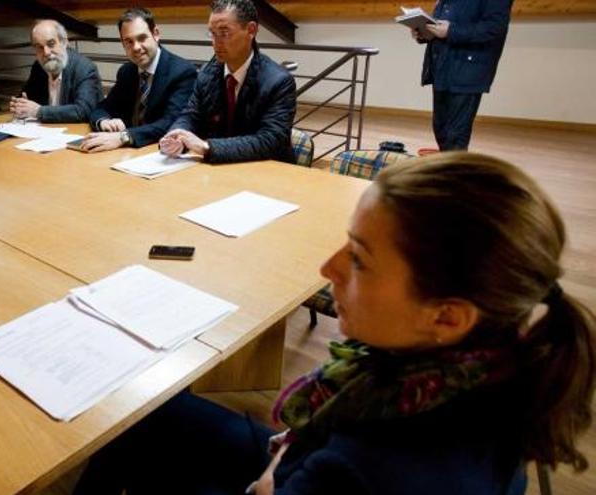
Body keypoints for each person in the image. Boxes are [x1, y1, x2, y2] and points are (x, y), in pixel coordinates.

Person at [73, 152, 596, 495]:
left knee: (132, 434)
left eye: (361, 259)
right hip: (304, 453)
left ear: (447, 315)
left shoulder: (366, 470)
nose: (328, 269)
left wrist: (274, 480)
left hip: (303, 469)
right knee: (146, 414)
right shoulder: (502, 365)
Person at [160, 0, 296, 164]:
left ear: (251, 30)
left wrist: (207, 147)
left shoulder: (279, 81)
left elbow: (270, 140)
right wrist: (177, 135)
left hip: (268, 172)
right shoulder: (206, 74)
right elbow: (191, 115)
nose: (216, 42)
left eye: (224, 33)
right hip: (221, 171)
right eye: (212, 33)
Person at [80, 8, 196, 152]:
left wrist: (124, 137)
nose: (136, 47)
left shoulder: (182, 72)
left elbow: (171, 122)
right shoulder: (126, 71)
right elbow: (103, 107)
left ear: (156, 34)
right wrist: (104, 122)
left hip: (158, 152)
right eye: (128, 41)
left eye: (142, 38)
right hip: (125, 153)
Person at [412, 0, 513, 151]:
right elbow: (442, 23)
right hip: (441, 68)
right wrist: (424, 32)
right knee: (441, 130)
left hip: (468, 71)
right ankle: (448, 171)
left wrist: (451, 31)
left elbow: (494, 28)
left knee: (455, 135)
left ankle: (455, 173)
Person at [10, 20, 102, 124]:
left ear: (64, 42)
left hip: (76, 132)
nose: (46, 52)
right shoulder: (38, 67)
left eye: (51, 44)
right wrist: (19, 104)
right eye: (39, 47)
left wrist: (38, 111)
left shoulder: (84, 68)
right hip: (45, 131)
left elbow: (83, 111)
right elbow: (27, 95)